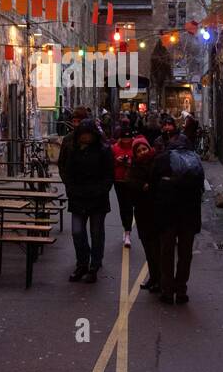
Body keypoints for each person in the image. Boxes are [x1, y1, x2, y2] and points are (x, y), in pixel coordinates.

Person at [57, 117, 113, 283]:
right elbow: (67, 171)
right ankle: (82, 263)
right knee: (77, 232)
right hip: (78, 198)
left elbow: (108, 175)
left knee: (96, 234)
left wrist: (100, 190)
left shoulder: (103, 150)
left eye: (88, 135)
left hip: (97, 199)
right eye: (83, 135)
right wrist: (71, 189)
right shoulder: (73, 150)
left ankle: (94, 266)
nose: (85, 138)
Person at [152, 132, 204, 303]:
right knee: (185, 254)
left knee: (166, 252)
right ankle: (181, 289)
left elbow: (152, 185)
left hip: (167, 214)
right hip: (189, 215)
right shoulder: (195, 160)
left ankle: (167, 290)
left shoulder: (162, 159)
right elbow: (200, 191)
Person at [126, 136, 163, 292]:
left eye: (144, 149)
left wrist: (145, 186)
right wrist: (142, 186)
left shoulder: (157, 163)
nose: (142, 152)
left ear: (149, 148)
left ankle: (160, 280)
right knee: (148, 248)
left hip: (156, 212)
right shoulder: (134, 167)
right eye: (139, 150)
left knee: (156, 248)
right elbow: (131, 186)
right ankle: (153, 278)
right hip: (141, 212)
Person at [110, 119, 143, 248]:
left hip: (132, 181)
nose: (126, 141)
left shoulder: (136, 147)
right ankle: (127, 230)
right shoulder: (115, 148)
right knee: (124, 207)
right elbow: (109, 164)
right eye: (124, 139)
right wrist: (116, 161)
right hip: (119, 181)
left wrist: (131, 163)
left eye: (128, 139)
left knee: (131, 206)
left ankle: (129, 231)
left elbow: (141, 162)